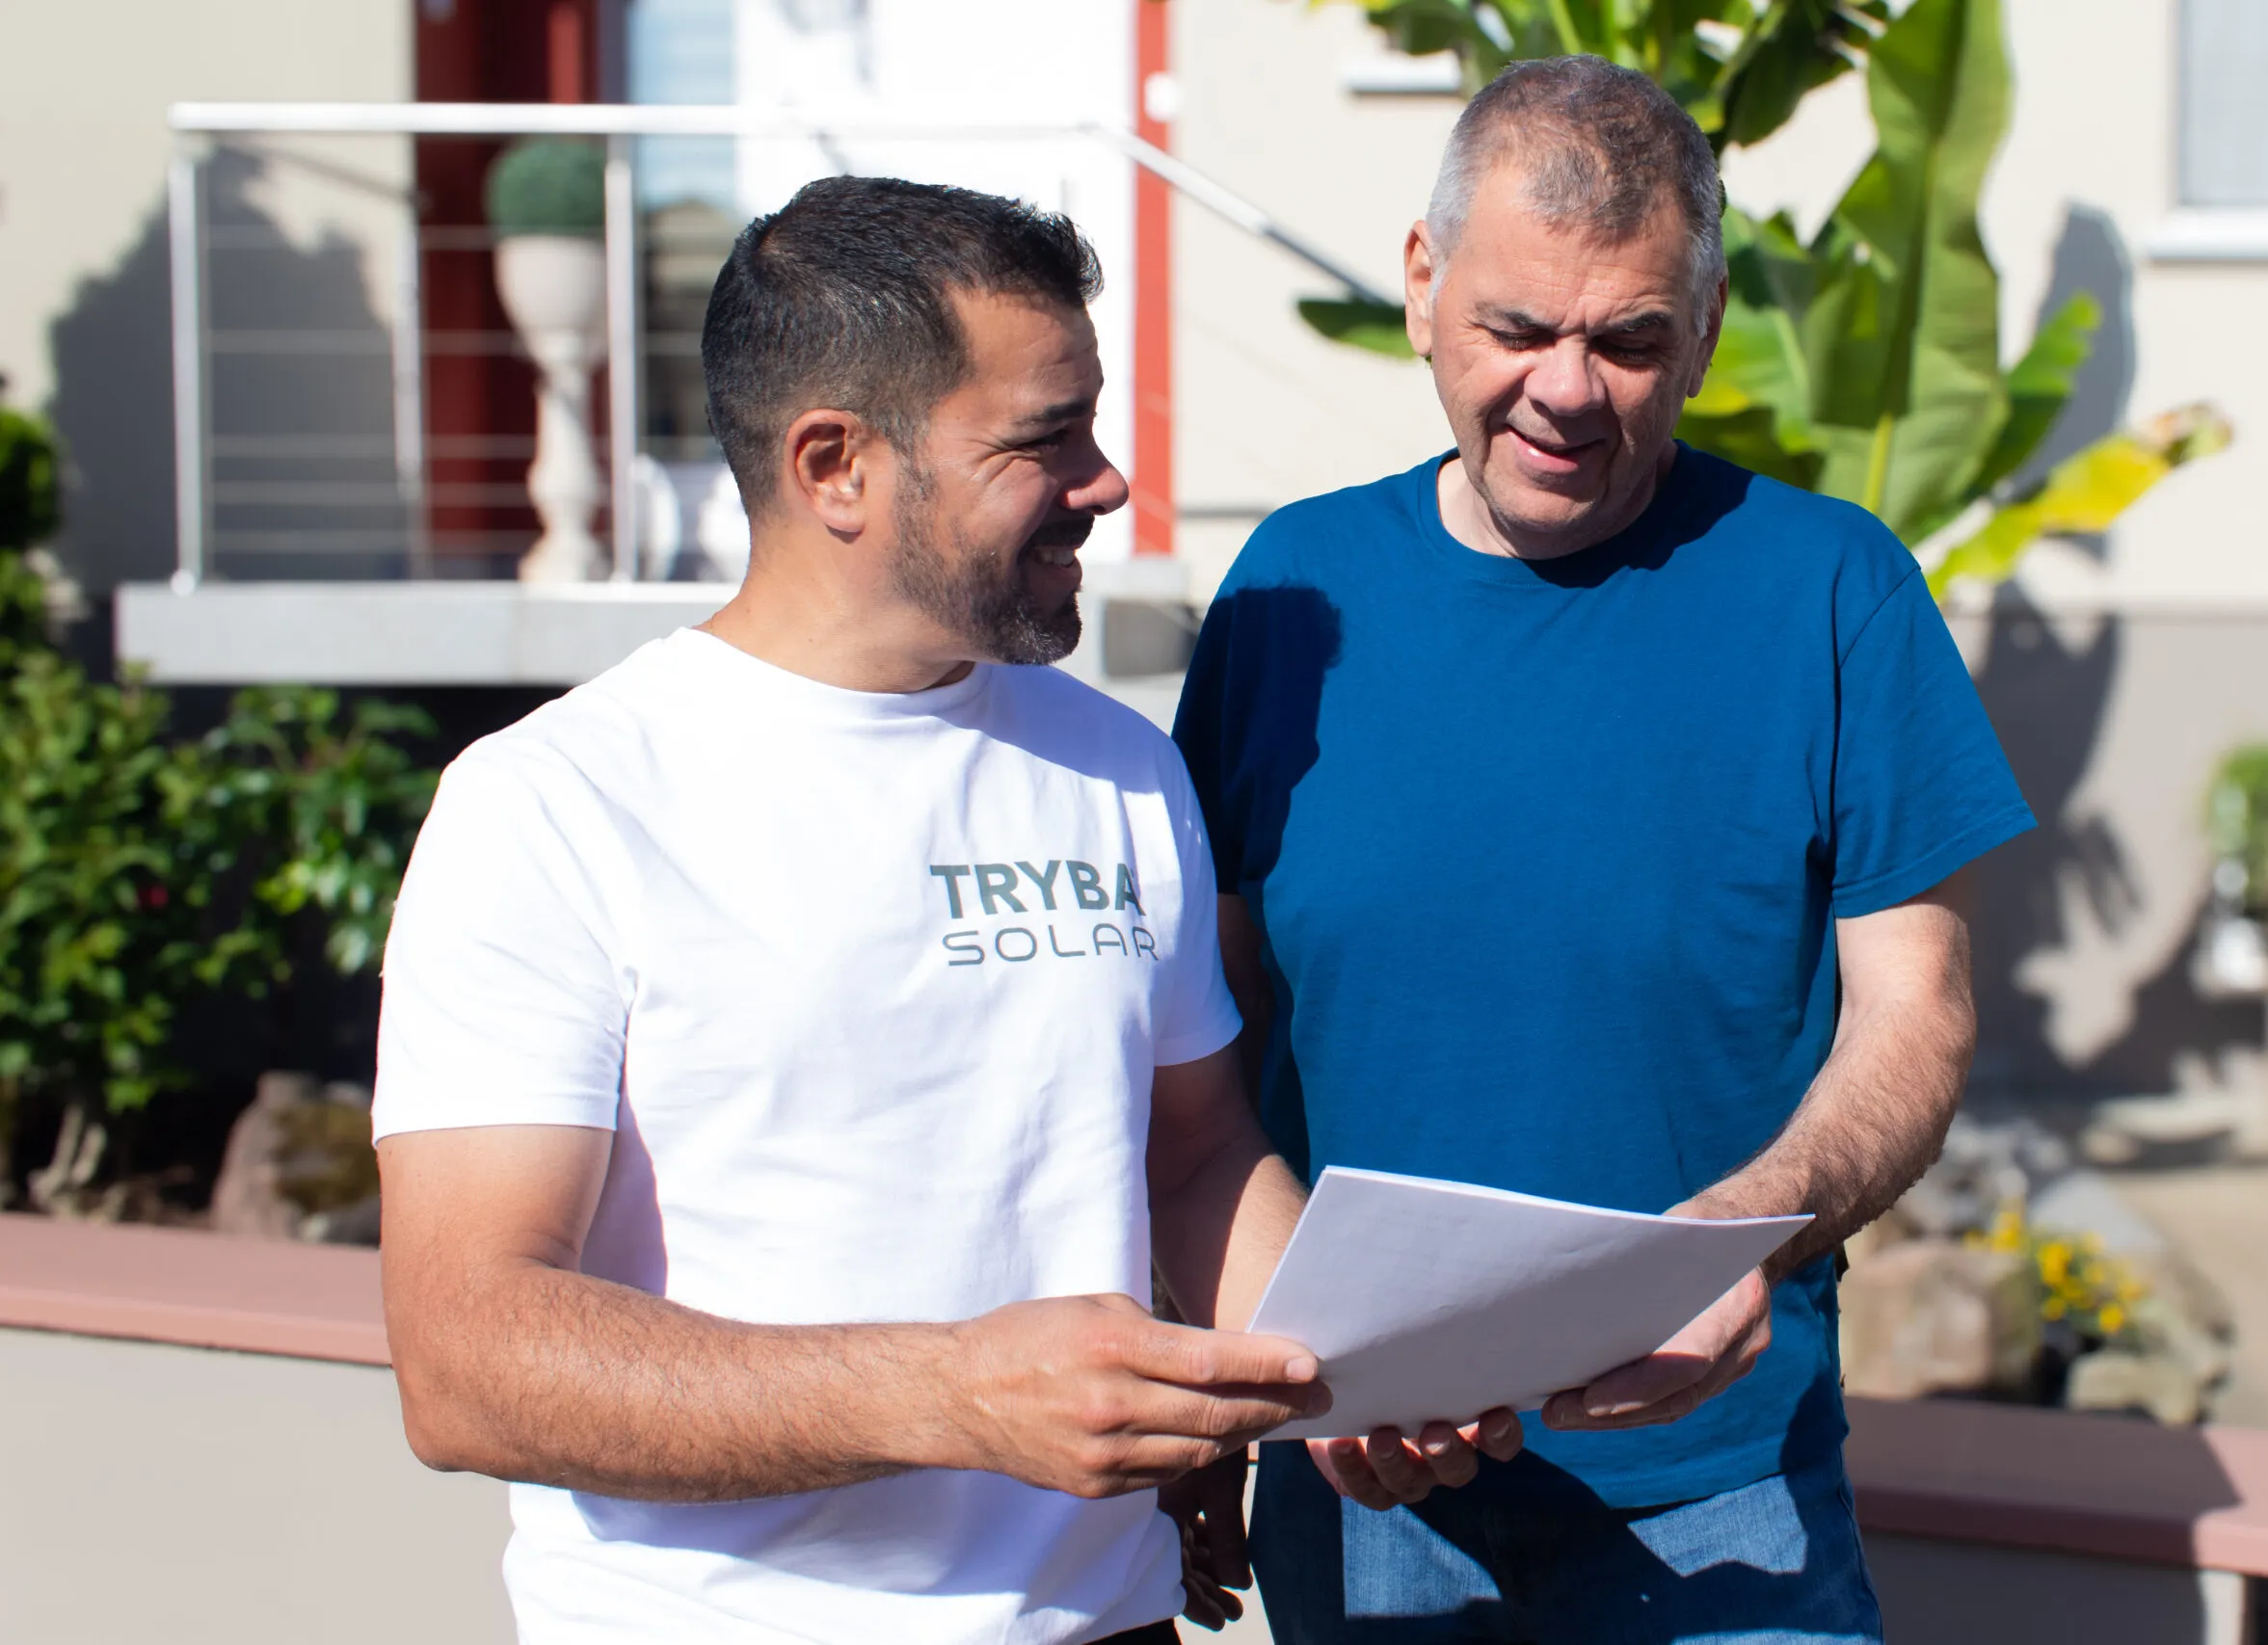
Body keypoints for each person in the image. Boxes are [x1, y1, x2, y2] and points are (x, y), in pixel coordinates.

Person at [371, 176, 1512, 1645]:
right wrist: (954, 1394)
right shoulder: (555, 805)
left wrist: (1353, 1368)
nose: (1106, 482)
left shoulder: (1118, 765)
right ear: (836, 465)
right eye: (1043, 440)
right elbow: (466, 1360)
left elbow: (1196, 1153)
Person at [1172, 57, 2036, 1644]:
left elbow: (1916, 1010)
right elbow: (1197, 1056)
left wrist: (1752, 1223)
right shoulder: (1294, 594)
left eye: (1629, 341)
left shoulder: (1834, 592)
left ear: (1705, 330)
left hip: (1724, 1495)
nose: (1568, 390)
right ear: (1422, 285)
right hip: (1363, 1480)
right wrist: (1226, 1376)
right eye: (1517, 328)